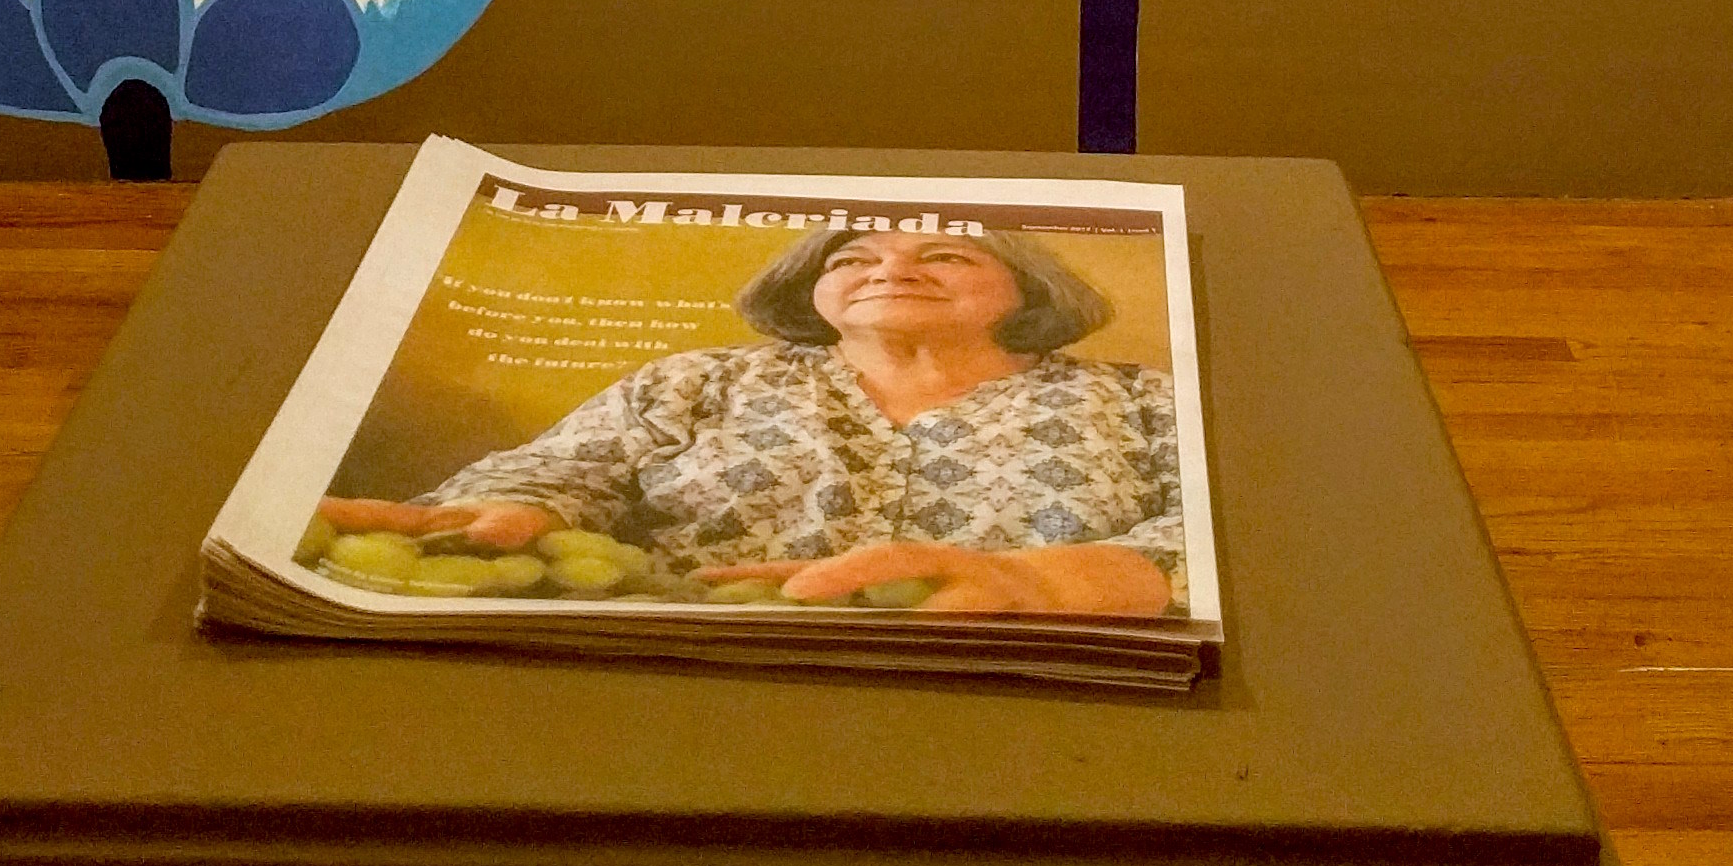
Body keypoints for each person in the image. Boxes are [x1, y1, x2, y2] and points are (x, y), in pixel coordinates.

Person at [317, 223, 1186, 615]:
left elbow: (1244, 542)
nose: (892, 267)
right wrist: (507, 515)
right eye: (853, 257)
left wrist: (1044, 583)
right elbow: (567, 470)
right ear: (812, 290)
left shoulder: (1141, 398)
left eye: (945, 253)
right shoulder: (697, 378)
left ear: (1029, 288)